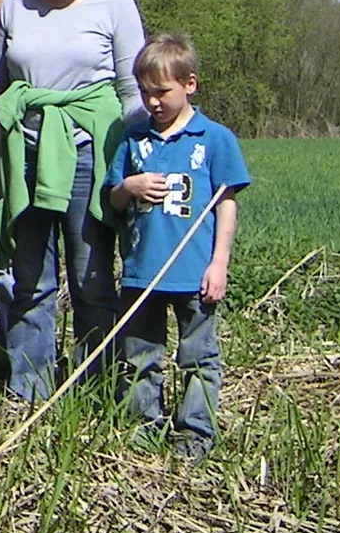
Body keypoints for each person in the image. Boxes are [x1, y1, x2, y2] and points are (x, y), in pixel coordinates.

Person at [0, 0, 147, 404]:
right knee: (27, 277)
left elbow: (132, 90)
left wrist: (139, 155)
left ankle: (93, 386)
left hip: (88, 151)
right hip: (25, 153)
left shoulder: (115, 5)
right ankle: (27, 391)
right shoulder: (12, 3)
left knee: (91, 276)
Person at [103, 34, 250, 459]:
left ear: (190, 84)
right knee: (139, 357)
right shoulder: (133, 139)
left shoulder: (215, 139)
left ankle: (195, 436)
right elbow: (112, 196)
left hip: (193, 272)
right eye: (146, 93)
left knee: (198, 357)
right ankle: (143, 430)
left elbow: (226, 204)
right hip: (141, 271)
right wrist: (129, 186)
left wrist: (218, 264)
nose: (154, 102)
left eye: (162, 92)